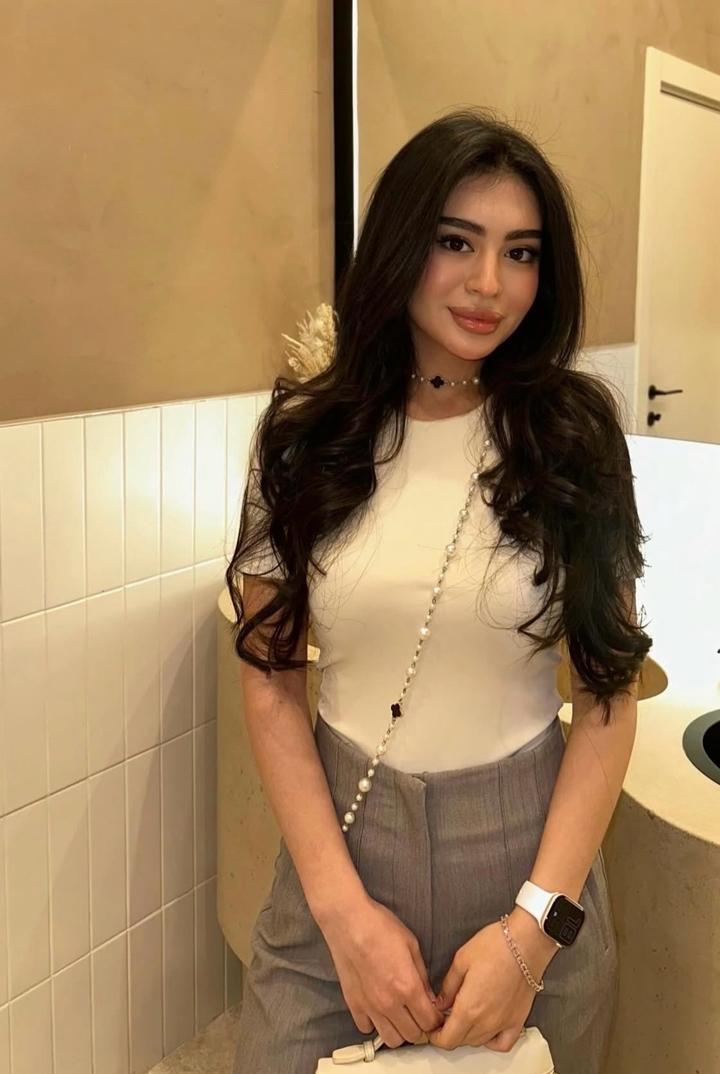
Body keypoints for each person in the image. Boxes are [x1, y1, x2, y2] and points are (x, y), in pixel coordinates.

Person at [225, 107, 653, 1074]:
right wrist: (342, 915)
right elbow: (270, 680)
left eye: (521, 252)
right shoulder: (303, 439)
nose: (489, 283)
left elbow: (608, 698)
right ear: (400, 243)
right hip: (341, 852)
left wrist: (534, 930)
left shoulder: (574, 439)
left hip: (531, 859)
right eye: (456, 241)